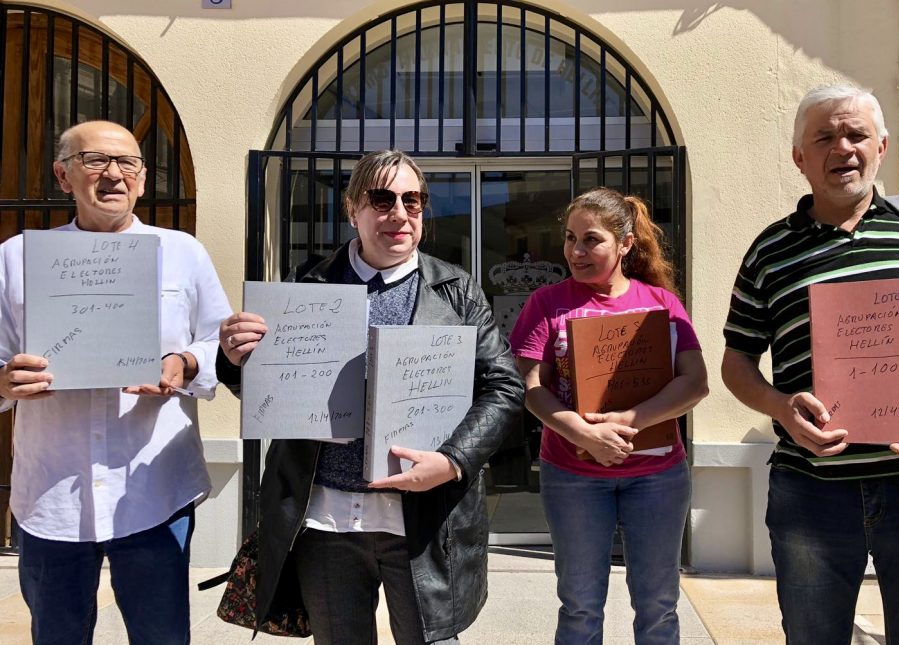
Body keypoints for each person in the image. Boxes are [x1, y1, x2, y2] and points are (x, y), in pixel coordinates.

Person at [721, 84, 899, 644]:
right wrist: (779, 406)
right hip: (813, 490)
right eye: (824, 137)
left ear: (881, 147)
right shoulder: (768, 252)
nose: (842, 148)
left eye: (856, 134)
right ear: (799, 157)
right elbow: (737, 361)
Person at [216, 149, 524, 644]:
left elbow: (504, 386)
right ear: (352, 208)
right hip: (327, 522)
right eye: (382, 200)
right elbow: (265, 393)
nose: (399, 213)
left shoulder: (456, 290)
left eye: (412, 200)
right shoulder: (306, 285)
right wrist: (234, 358)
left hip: (422, 521)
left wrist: (453, 461)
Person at [0, 120, 231, 644]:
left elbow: (218, 342)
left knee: (162, 638)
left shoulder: (182, 252)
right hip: (52, 496)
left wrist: (185, 364)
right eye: (95, 160)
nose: (113, 174)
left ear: (143, 179)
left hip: (155, 491)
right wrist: (7, 381)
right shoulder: (17, 257)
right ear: (63, 176)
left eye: (127, 162)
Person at [508, 187, 708, 644]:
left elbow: (695, 383)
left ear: (625, 244)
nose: (575, 251)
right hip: (572, 476)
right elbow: (532, 388)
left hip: (657, 475)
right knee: (580, 606)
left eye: (591, 239)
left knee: (658, 606)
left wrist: (629, 421)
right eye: (570, 238)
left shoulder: (661, 303)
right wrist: (582, 433)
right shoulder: (546, 303)